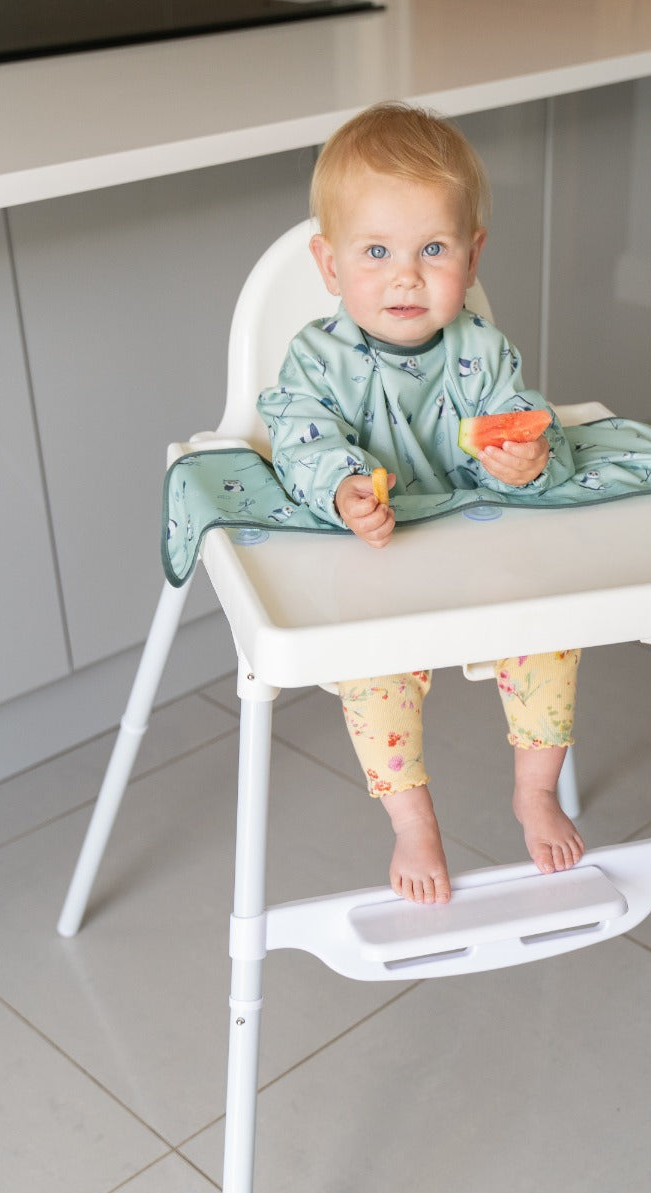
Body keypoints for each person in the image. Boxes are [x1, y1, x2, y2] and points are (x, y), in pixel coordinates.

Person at [258, 101, 584, 905]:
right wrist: (343, 492)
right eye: (376, 252)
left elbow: (519, 431)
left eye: (432, 249)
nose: (406, 275)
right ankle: (411, 820)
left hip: (481, 550)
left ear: (471, 259)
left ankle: (535, 789)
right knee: (374, 672)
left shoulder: (483, 351)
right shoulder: (316, 359)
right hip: (376, 559)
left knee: (552, 633)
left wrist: (523, 464)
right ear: (330, 267)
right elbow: (297, 436)